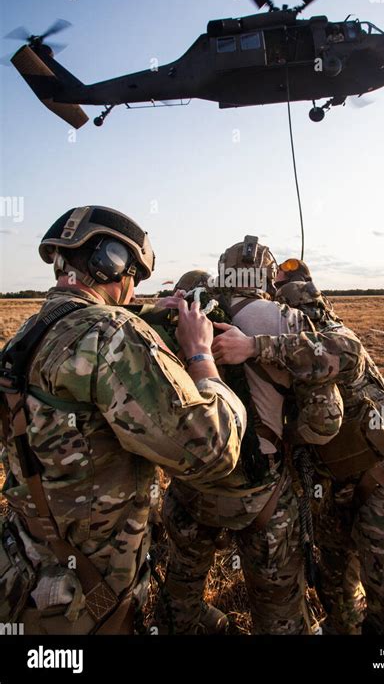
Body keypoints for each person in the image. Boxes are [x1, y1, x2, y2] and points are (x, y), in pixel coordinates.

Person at [0, 205, 246, 634]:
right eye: (133, 276)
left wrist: (146, 318)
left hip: (28, 574)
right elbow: (212, 449)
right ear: (112, 262)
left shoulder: (31, 329)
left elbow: (86, 353)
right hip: (87, 600)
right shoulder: (113, 334)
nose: (134, 289)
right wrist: (201, 355)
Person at [212, 279, 384, 635]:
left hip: (378, 485)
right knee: (338, 594)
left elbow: (346, 354)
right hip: (328, 492)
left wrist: (254, 346)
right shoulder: (293, 350)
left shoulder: (331, 335)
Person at [155, 238, 343, 635]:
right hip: (262, 495)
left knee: (181, 592)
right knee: (280, 614)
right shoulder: (284, 320)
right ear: (266, 276)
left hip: (191, 485)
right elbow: (326, 422)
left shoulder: (181, 314)